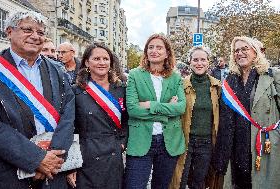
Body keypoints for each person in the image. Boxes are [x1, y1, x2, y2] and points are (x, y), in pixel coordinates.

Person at [0, 11, 75, 189]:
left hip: (54, 171)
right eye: (27, 29)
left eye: (40, 32)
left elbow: (68, 116)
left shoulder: (57, 70)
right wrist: (36, 159)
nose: (35, 36)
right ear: (9, 32)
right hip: (10, 172)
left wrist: (53, 158)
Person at [213, 36, 280, 189]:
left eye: (244, 49)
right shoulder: (230, 80)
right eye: (236, 50)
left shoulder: (271, 76)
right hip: (236, 146)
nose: (240, 53)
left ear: (255, 52)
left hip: (263, 144)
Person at [124, 33, 186, 189]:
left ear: (167, 53)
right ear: (146, 52)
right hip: (141, 141)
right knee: (134, 186)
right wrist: (166, 113)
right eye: (150, 47)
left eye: (159, 47)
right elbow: (133, 110)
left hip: (168, 142)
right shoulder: (135, 75)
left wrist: (152, 104)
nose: (154, 51)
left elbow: (180, 108)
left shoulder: (175, 77)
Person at [66, 43, 128, 188]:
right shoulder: (75, 91)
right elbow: (69, 128)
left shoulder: (121, 89)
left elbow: (127, 120)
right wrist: (70, 164)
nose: (102, 62)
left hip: (113, 156)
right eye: (97, 58)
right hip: (86, 157)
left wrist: (122, 142)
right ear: (87, 62)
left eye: (106, 59)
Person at [169, 46, 222, 189]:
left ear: (208, 62)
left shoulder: (217, 86)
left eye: (203, 60)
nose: (199, 63)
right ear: (190, 62)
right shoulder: (180, 84)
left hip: (206, 143)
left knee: (199, 182)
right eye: (196, 60)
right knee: (179, 180)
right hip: (185, 141)